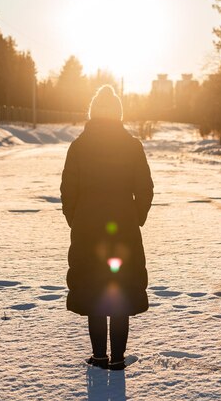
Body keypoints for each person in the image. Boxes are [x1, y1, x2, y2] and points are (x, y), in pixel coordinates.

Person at [60, 85, 154, 370]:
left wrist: (75, 219)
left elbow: (67, 191)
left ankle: (99, 356)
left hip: (88, 230)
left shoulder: (79, 146)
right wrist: (135, 216)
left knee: (94, 290)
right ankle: (117, 358)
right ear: (118, 114)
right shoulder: (132, 146)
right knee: (120, 290)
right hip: (123, 230)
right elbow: (146, 189)